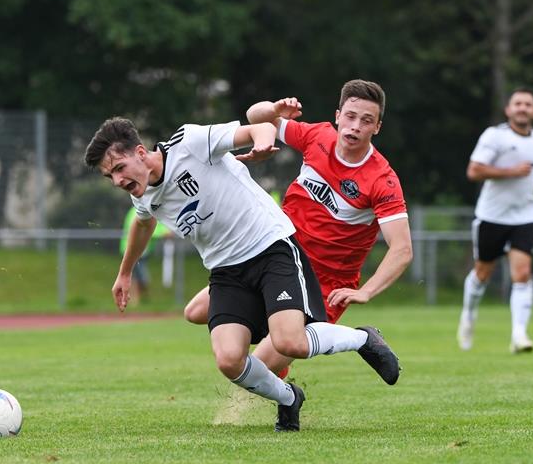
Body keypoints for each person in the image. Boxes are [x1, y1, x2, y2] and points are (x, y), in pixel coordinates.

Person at [85, 116, 400, 432]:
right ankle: (289, 398)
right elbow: (143, 222)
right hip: (226, 272)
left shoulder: (189, 143)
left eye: (119, 168)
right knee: (229, 359)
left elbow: (256, 129)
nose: (116, 180)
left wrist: (262, 141)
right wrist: (125, 273)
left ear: (140, 152)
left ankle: (364, 339)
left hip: (270, 247)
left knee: (291, 343)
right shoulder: (141, 195)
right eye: (109, 175)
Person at [184, 80, 413, 379]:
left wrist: (366, 291)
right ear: (338, 115)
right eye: (351, 116)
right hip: (277, 254)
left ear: (377, 127)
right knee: (197, 312)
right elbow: (256, 116)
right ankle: (279, 352)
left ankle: (348, 345)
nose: (355, 126)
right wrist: (274, 110)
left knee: (258, 370)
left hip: (323, 282)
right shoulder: (317, 136)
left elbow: (402, 249)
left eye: (366, 120)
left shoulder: (382, 179)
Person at [457, 87, 533, 353]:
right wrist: (511, 172)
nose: (523, 108)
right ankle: (468, 315)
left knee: (522, 274)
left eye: (528, 104)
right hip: (492, 216)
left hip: (525, 216)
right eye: (518, 103)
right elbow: (474, 170)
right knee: (482, 274)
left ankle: (519, 336)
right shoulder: (494, 136)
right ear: (509, 110)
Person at [120, 206, 169, 304]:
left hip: (141, 251)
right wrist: (164, 233)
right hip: (134, 251)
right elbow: (143, 227)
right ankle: (136, 299)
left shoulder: (148, 209)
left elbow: (154, 225)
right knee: (139, 276)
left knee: (136, 276)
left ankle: (138, 300)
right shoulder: (140, 209)